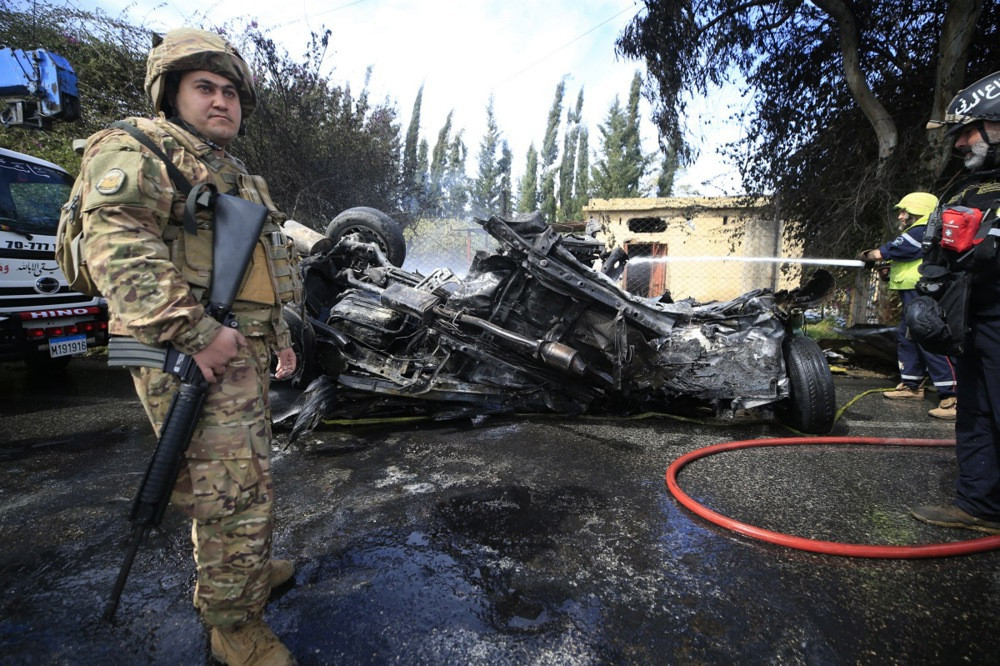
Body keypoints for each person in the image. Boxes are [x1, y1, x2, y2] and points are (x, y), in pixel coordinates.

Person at [77, 28, 301, 664]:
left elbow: (264, 267)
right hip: (183, 349)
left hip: (242, 351)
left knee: (245, 480)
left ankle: (243, 575)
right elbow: (119, 253)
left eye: (230, 91)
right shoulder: (136, 149)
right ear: (169, 93)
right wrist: (197, 333)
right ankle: (234, 625)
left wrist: (280, 337)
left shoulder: (234, 174)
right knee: (228, 489)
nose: (222, 101)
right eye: (205, 87)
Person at [909, 71, 1000, 535]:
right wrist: (928, 296)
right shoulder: (968, 189)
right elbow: (937, 252)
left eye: (969, 130)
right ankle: (979, 505)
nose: (962, 143)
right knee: (976, 412)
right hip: (971, 322)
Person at [859, 192, 958, 419]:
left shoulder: (923, 229)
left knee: (928, 337)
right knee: (909, 336)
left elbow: (895, 249)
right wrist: (889, 269)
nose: (902, 216)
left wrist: (870, 255)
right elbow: (909, 258)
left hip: (922, 293)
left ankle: (951, 396)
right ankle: (912, 385)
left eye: (906, 211)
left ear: (919, 211)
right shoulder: (925, 230)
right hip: (912, 292)